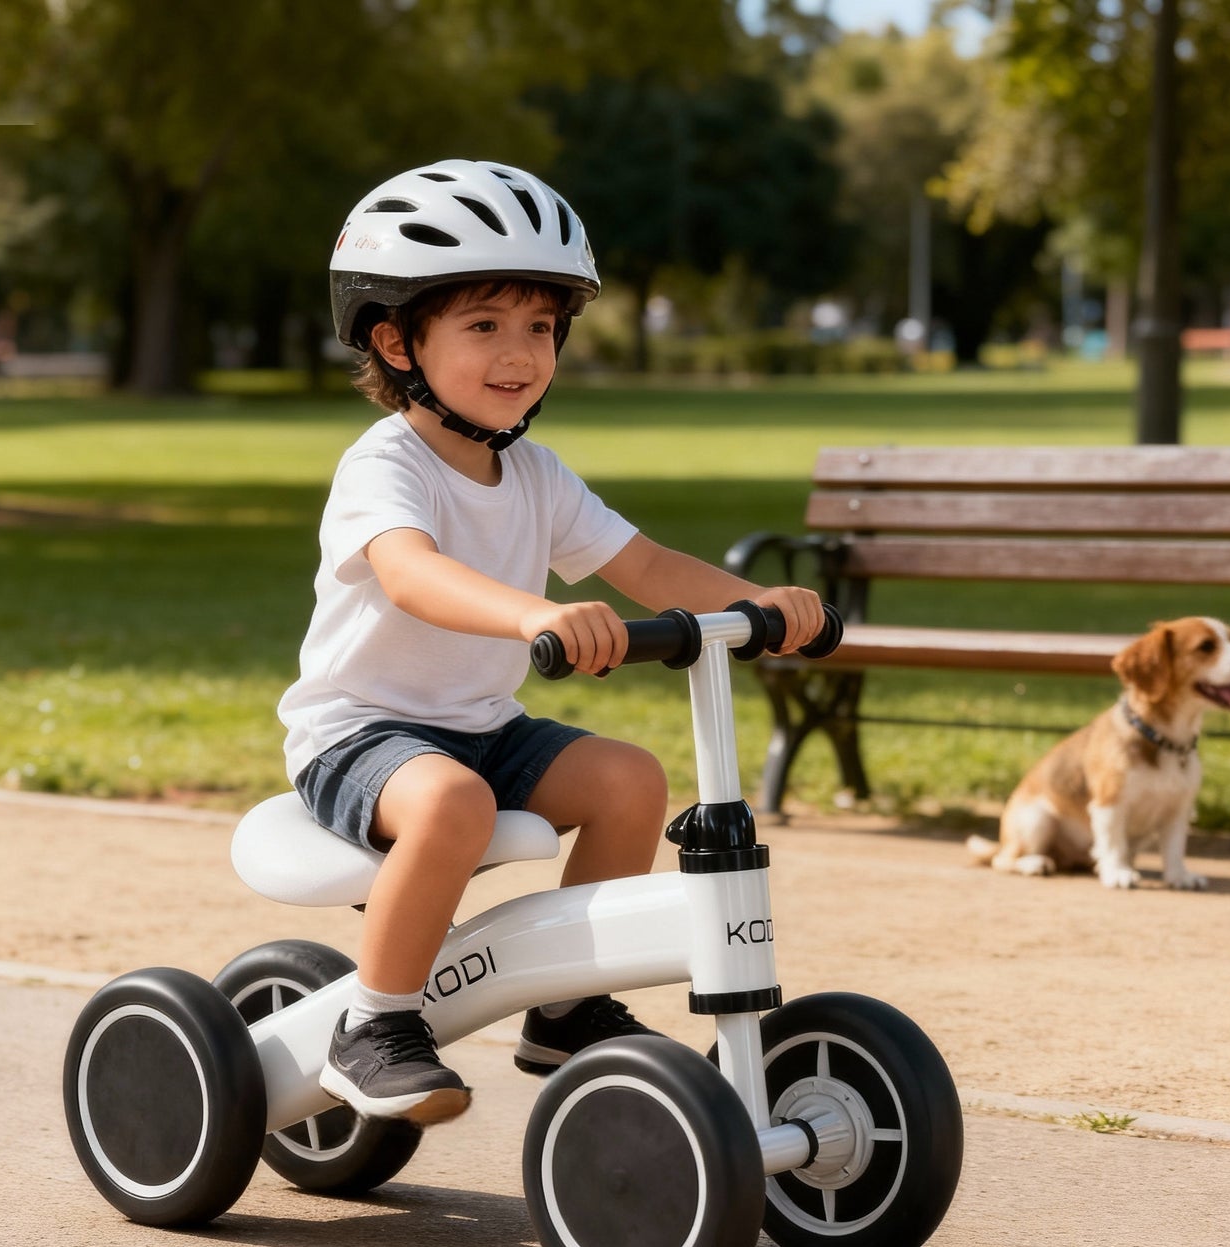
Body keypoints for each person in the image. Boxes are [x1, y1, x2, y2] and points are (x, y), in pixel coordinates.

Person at [280, 159, 824, 1125]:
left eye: (540, 326)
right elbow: (409, 570)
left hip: (483, 723)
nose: (519, 353)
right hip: (360, 735)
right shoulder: (384, 466)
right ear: (396, 340)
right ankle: (372, 1023)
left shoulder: (532, 471)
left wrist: (762, 604)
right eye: (483, 326)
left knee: (629, 780)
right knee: (452, 800)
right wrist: (532, 614)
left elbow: (646, 567)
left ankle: (567, 1010)